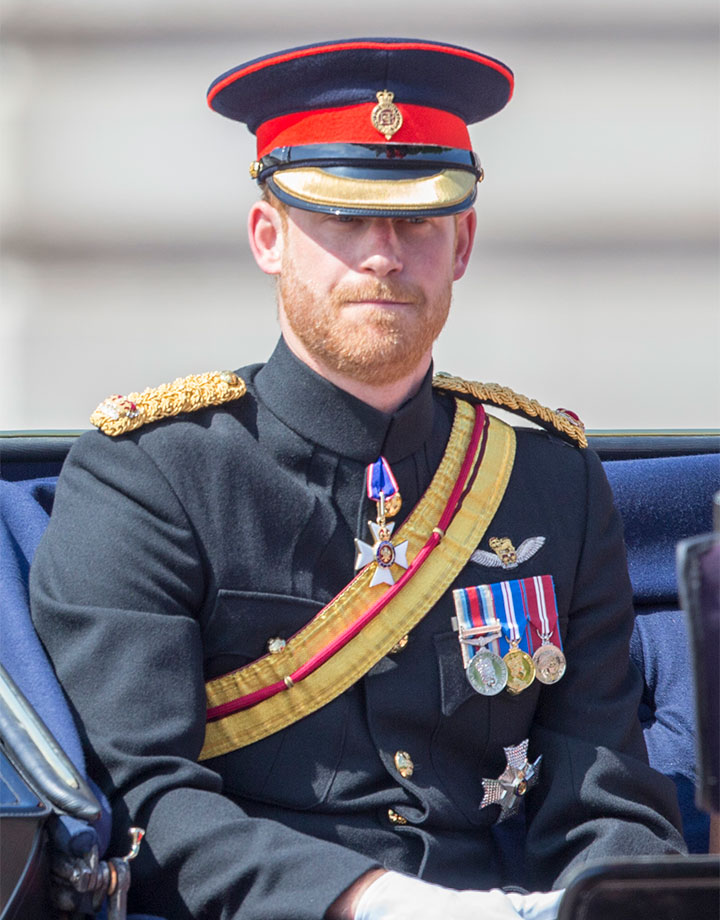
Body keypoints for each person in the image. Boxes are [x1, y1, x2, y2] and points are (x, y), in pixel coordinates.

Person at [30, 38, 686, 920]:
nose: (383, 255)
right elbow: (149, 804)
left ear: (463, 244)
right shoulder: (150, 475)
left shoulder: (548, 479)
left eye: (418, 220)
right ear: (269, 237)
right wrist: (382, 905)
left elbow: (602, 798)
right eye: (341, 218)